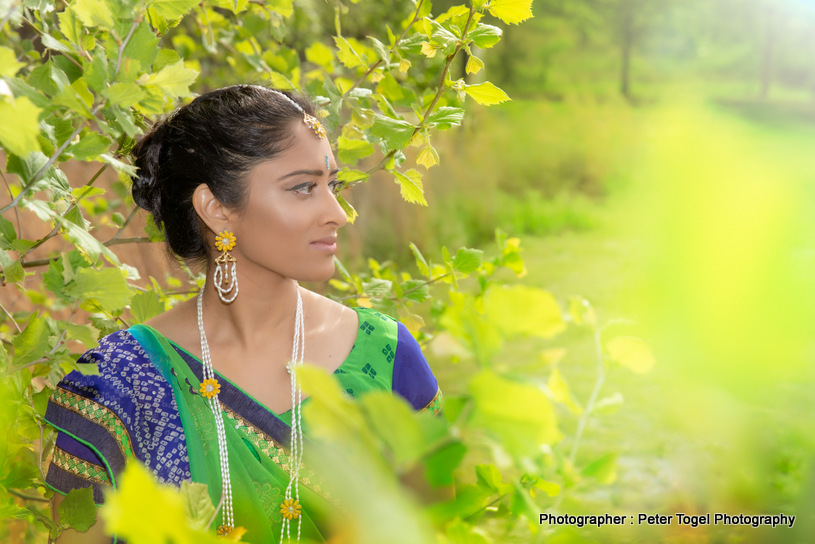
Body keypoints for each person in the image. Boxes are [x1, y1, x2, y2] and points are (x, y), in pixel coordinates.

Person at [45, 85, 443, 543]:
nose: (337, 213)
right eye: (303, 188)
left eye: (331, 185)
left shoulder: (385, 355)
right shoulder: (119, 381)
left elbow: (438, 525)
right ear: (217, 209)